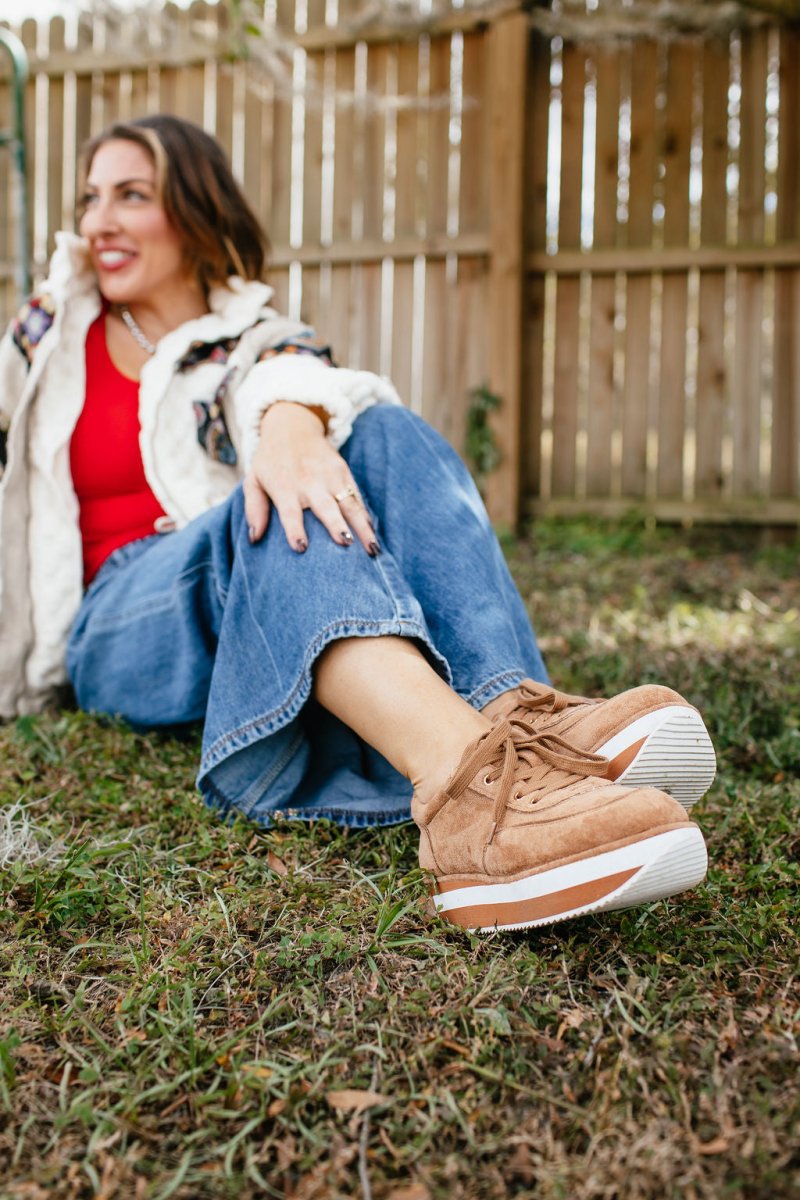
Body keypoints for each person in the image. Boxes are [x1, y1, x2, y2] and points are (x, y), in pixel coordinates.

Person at [0, 115, 716, 933]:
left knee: (384, 430)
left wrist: (289, 423)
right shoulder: (49, 334)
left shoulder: (260, 338)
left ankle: (510, 717)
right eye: (92, 198)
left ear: (196, 213)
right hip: (119, 621)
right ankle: (462, 778)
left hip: (250, 608)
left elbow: (301, 372)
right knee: (266, 505)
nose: (99, 222)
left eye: (131, 195)